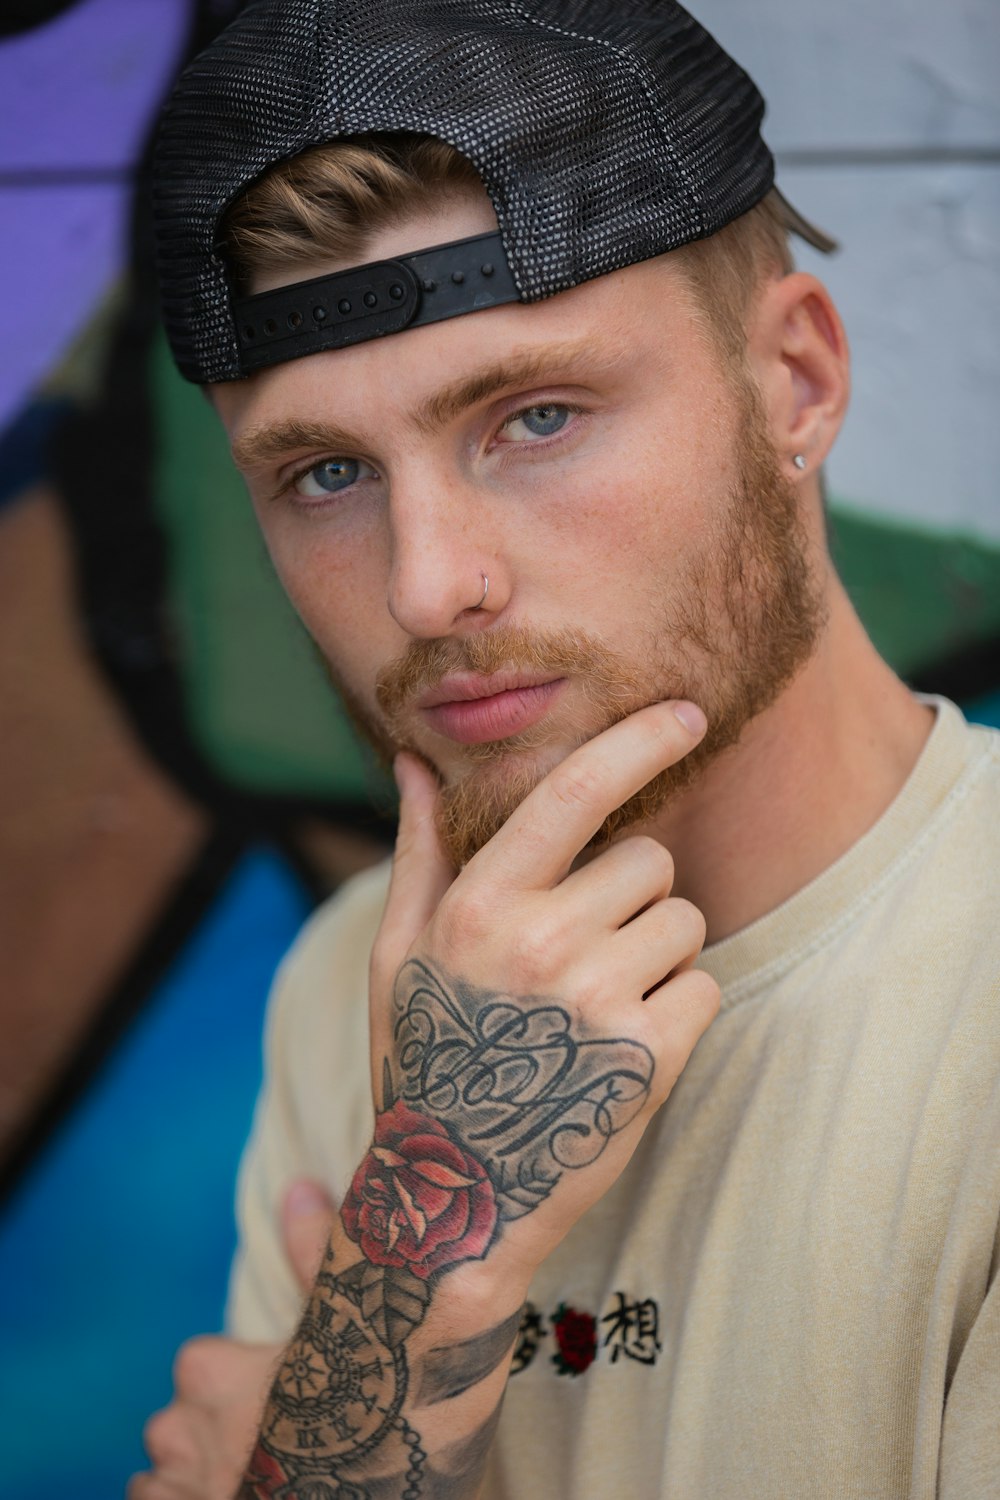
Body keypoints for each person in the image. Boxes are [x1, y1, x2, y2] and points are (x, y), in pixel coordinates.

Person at [133, 1, 1000, 1496]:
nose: (425, 583)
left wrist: (302, 1450)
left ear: (792, 383)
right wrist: (414, 1278)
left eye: (535, 418)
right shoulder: (361, 982)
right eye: (326, 471)